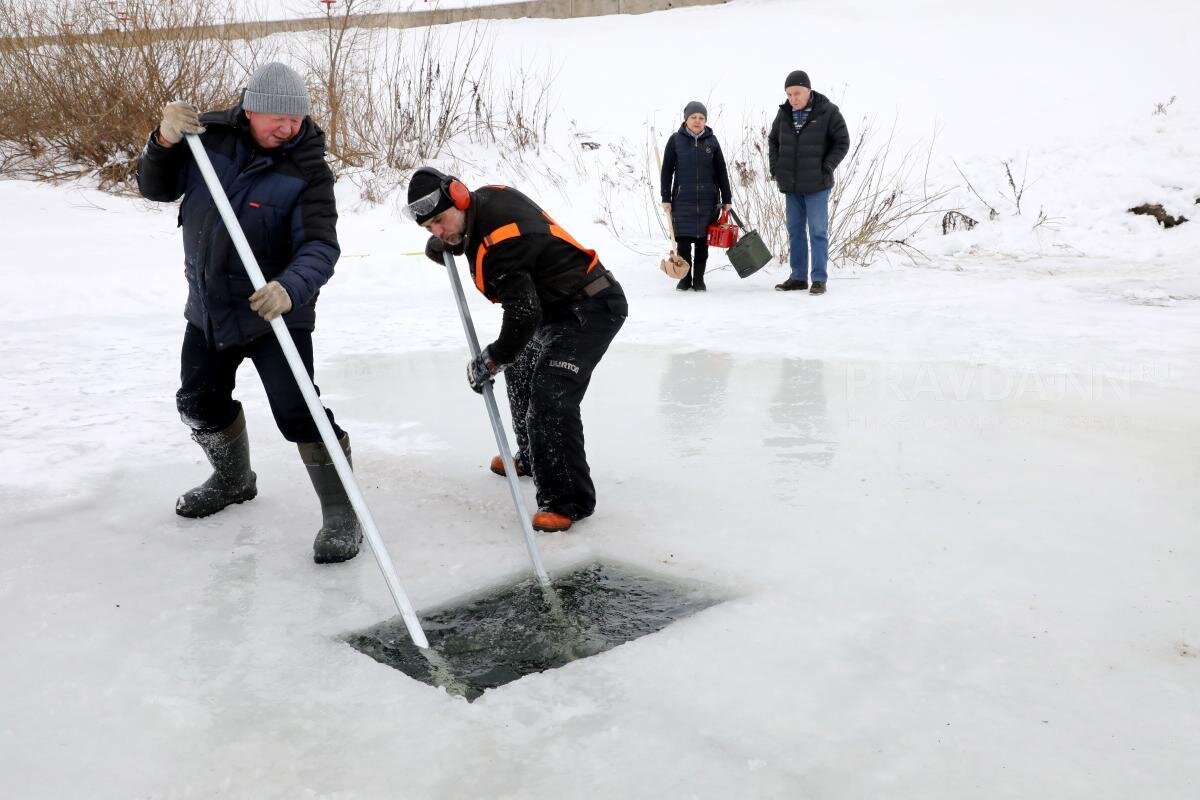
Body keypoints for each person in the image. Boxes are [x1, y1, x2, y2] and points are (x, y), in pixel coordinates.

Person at [136, 62, 362, 564]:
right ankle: (234, 480)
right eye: (278, 118)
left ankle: (343, 511)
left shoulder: (307, 170)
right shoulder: (208, 138)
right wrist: (164, 140)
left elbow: (321, 247)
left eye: (297, 118)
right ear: (250, 108)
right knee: (197, 403)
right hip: (211, 305)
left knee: (298, 413)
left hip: (276, 310)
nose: (289, 127)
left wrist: (289, 287)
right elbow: (155, 188)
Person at [405, 167, 627, 533]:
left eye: (440, 222)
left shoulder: (501, 245)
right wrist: (451, 241)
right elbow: (477, 234)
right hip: (554, 304)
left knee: (550, 395)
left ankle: (566, 500)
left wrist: (492, 358)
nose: (438, 232)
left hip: (591, 306)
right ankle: (533, 457)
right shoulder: (486, 198)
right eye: (430, 229)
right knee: (521, 368)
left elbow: (522, 315)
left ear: (460, 196)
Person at [768, 70, 850, 295]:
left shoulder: (827, 111)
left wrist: (827, 165)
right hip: (791, 186)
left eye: (797, 93)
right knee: (795, 231)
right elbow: (773, 140)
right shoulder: (784, 114)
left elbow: (842, 141)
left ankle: (819, 279)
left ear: (808, 91)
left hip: (817, 184)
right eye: (789, 94)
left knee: (817, 231)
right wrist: (776, 168)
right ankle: (797, 277)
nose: (793, 98)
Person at [660, 101, 733, 292]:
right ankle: (684, 279)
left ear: (705, 121)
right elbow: (666, 171)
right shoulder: (676, 140)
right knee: (683, 243)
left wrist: (727, 199)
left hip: (708, 201)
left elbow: (721, 171)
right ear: (686, 119)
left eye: (701, 118)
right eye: (693, 117)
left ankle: (699, 280)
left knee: (702, 244)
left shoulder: (712, 141)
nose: (697, 121)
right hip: (682, 201)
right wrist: (666, 197)